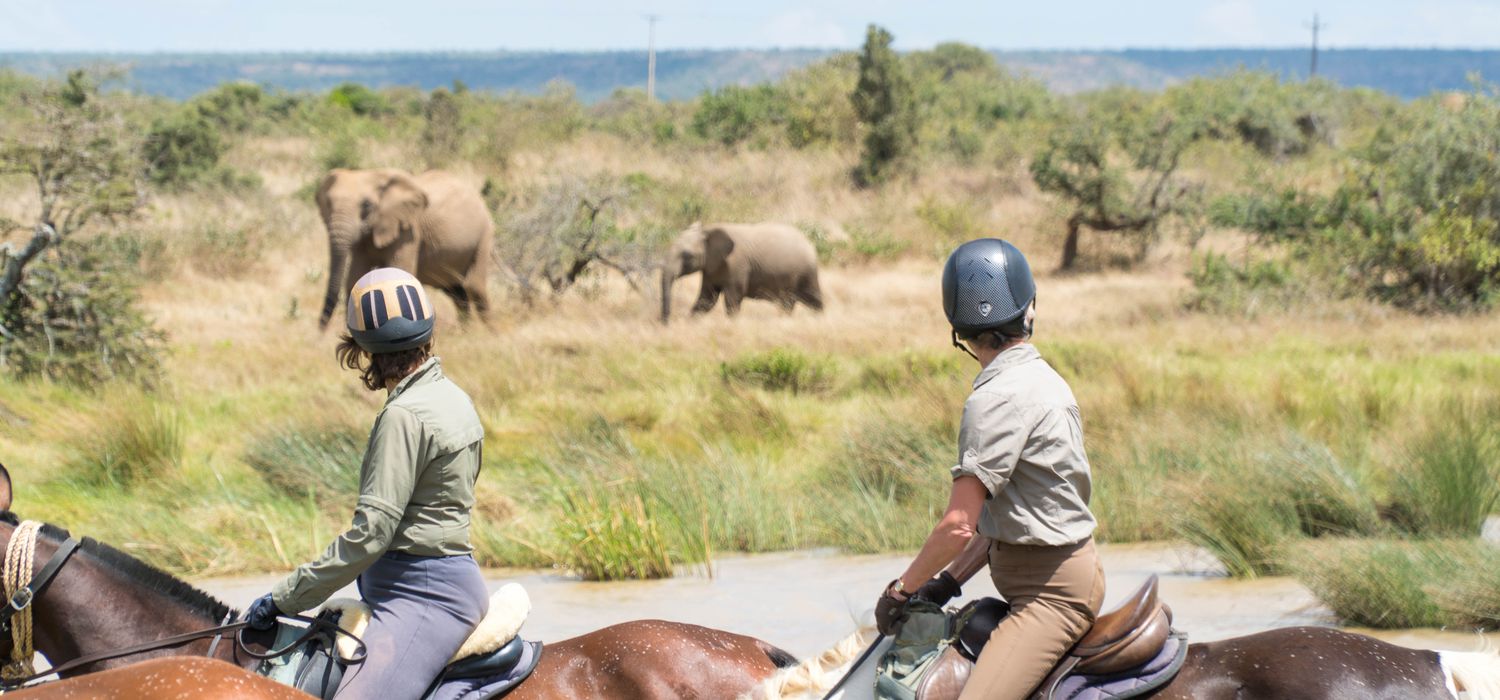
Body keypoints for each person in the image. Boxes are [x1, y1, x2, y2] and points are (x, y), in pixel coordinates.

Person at [874, 239, 1104, 700]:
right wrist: (948, 582)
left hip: (1049, 599)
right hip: (1059, 577)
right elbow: (1003, 516)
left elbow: (959, 526)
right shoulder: (1042, 378)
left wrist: (901, 589)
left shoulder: (993, 398)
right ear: (1029, 310)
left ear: (958, 329)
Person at [246, 267, 488, 700]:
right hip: (450, 580)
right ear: (428, 332)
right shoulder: (454, 397)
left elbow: (371, 535)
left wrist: (285, 598)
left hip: (422, 597)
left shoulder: (402, 416)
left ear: (362, 348)